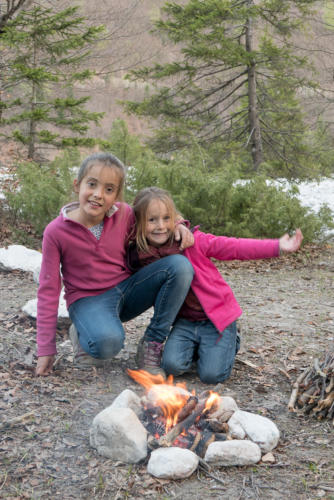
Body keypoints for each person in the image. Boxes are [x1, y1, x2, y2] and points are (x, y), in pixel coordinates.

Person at [36, 153, 194, 376]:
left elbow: (155, 216)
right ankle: (82, 333)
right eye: (92, 184)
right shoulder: (56, 232)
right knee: (108, 345)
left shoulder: (124, 214)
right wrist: (46, 349)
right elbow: (48, 290)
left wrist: (178, 224)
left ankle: (152, 344)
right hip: (87, 300)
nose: (98, 195)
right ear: (77, 185)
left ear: (117, 195)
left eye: (109, 189)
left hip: (127, 291)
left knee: (179, 267)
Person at [128, 186, 304, 384]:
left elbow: (234, 247)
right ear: (140, 222)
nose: (160, 226)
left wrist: (276, 246)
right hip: (185, 322)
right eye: (152, 220)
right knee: (172, 366)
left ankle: (231, 340)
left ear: (174, 218)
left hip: (216, 320)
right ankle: (199, 347)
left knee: (211, 375)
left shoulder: (193, 240)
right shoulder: (141, 254)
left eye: (166, 219)